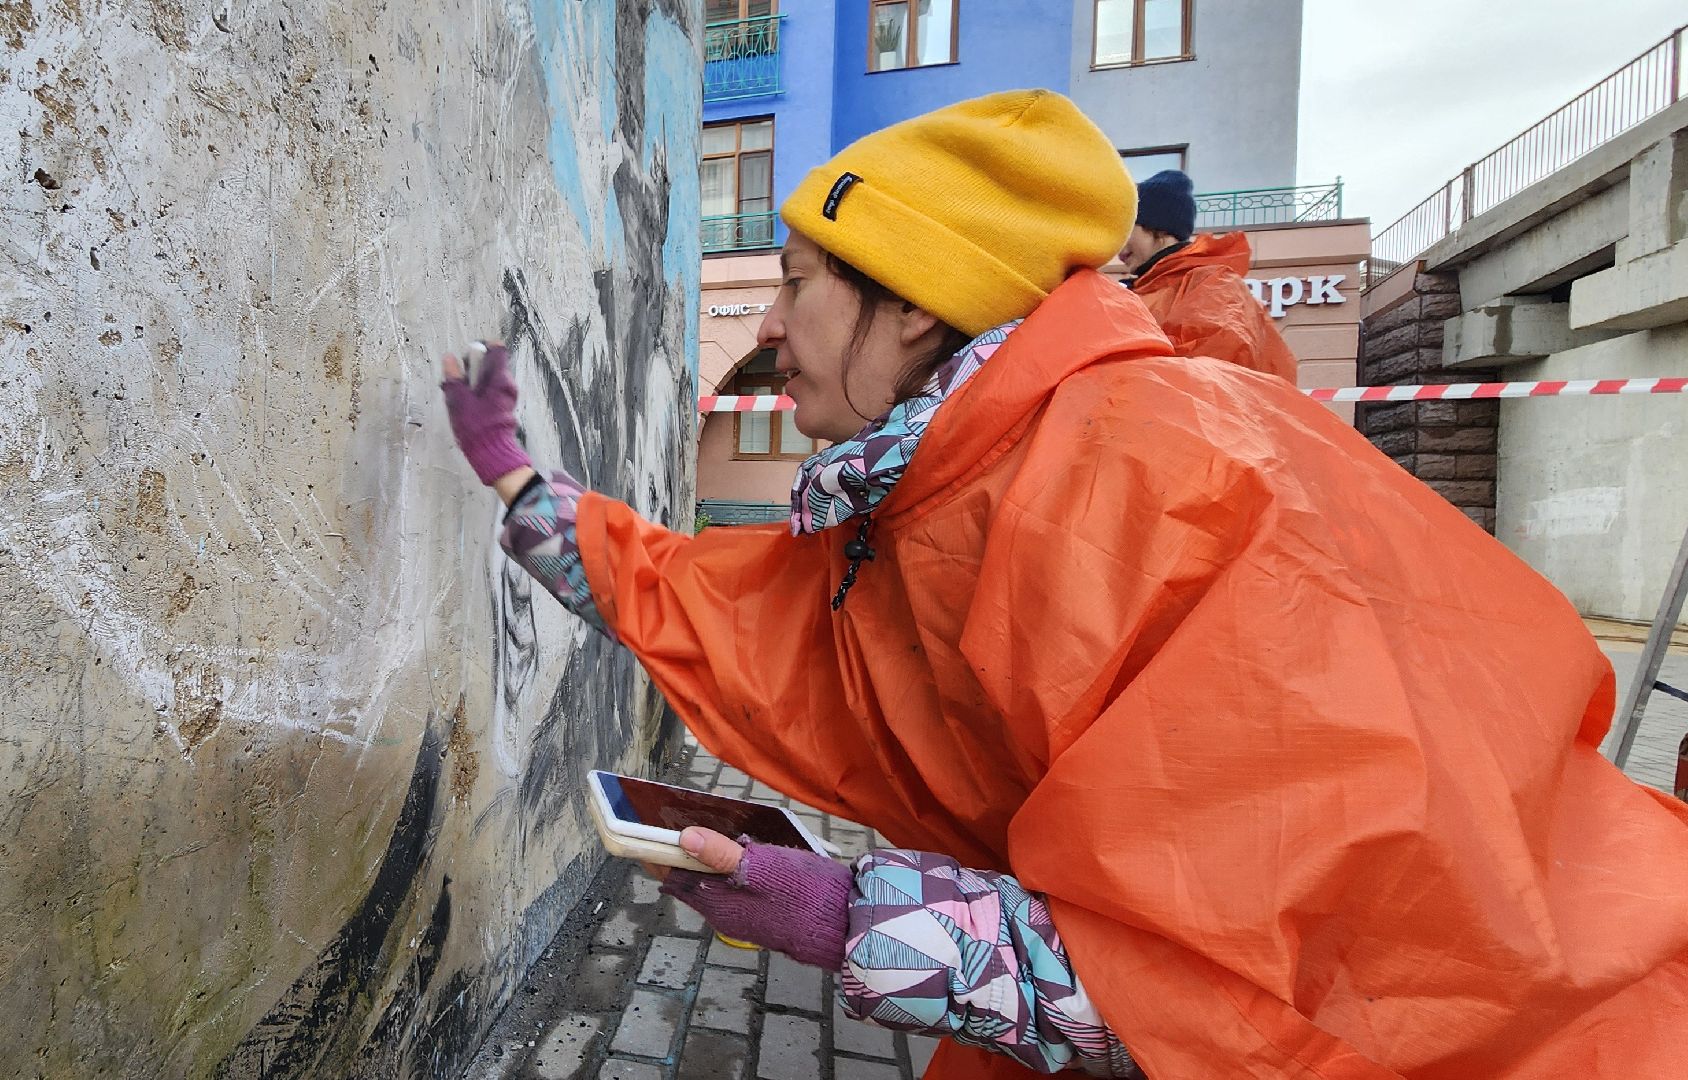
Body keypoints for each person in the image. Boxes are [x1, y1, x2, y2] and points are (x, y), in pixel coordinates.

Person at [442, 90, 1688, 1080]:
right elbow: (726, 620)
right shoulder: (952, 485)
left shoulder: (1156, 486)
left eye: (796, 281)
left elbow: (1248, 989)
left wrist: (849, 913)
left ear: (915, 309)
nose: (769, 327)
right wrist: (514, 482)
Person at [1118, 169, 1299, 382]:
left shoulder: (1213, 285)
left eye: (1127, 229)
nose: (1118, 246)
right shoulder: (1142, 290)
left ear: (1160, 229)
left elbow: (1212, 372)